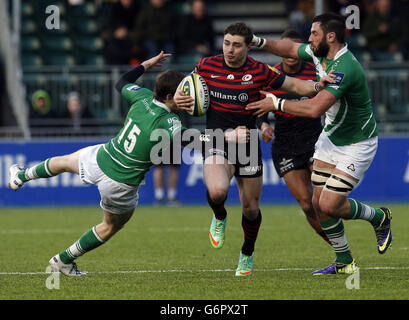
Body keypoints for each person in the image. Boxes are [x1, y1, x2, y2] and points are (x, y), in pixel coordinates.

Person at [174, 22, 334, 277]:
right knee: (217, 192)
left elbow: (293, 86)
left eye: (237, 45)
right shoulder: (206, 65)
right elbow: (185, 89)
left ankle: (247, 253)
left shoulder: (260, 70)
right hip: (217, 141)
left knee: (250, 209)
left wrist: (317, 86)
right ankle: (219, 216)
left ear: (248, 46)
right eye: (227, 43)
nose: (230, 49)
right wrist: (178, 99)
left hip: (248, 146)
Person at [8, 51, 187, 276]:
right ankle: (63, 260)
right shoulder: (169, 120)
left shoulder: (142, 97)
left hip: (102, 157)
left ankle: (21, 177)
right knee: (110, 226)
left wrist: (147, 64)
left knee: (63, 162)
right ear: (170, 97)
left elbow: (121, 82)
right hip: (121, 182)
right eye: (183, 92)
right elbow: (192, 140)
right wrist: (228, 138)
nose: (187, 97)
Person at [249, 13, 392, 275]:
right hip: (330, 138)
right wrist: (256, 41)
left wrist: (276, 103)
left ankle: (379, 217)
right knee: (316, 204)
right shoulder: (319, 53)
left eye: (314, 34)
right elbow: (289, 47)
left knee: (328, 205)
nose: (310, 39)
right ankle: (344, 261)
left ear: (330, 37)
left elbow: (315, 109)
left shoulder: (345, 67)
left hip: (357, 143)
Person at [256, 29, 330, 246]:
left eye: (296, 49)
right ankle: (339, 249)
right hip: (286, 144)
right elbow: (258, 109)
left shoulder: (315, 71)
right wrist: (263, 124)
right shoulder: (270, 76)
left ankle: (342, 241)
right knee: (307, 205)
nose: (291, 53)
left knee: (324, 201)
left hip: (315, 140)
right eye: (287, 48)